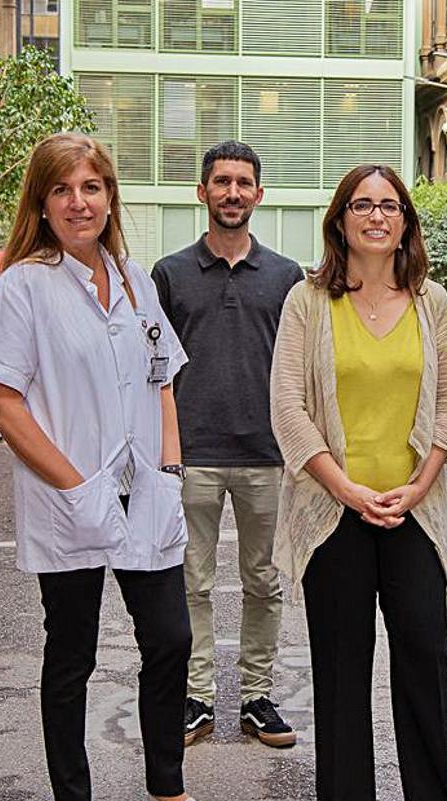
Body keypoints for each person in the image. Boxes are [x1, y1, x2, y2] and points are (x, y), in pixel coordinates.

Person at [0, 133, 237, 801]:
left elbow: (163, 381)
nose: (79, 202)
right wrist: (74, 484)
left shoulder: (138, 282)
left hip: (145, 490)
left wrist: (171, 473)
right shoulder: (26, 285)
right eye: (62, 190)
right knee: (72, 655)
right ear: (42, 206)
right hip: (68, 497)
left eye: (92, 187)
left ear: (111, 198)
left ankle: (166, 796)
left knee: (170, 641)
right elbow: (3, 401)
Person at [269, 164, 447, 801]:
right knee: (342, 663)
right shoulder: (307, 302)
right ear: (341, 219)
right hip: (333, 512)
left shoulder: (432, 302)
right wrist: (346, 490)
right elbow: (288, 407)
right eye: (363, 204)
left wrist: (419, 485)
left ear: (406, 222)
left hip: (414, 509)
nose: (377, 216)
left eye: (390, 205)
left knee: (425, 657)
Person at [152, 141, 304, 749]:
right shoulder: (170, 273)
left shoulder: (288, 277)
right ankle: (195, 696)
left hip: (268, 455)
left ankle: (258, 696)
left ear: (258, 194)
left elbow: (299, 371)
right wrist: (161, 454)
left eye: (243, 182)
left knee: (264, 581)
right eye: (222, 182)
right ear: (203, 192)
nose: (233, 192)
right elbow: (154, 370)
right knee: (191, 582)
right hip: (193, 455)